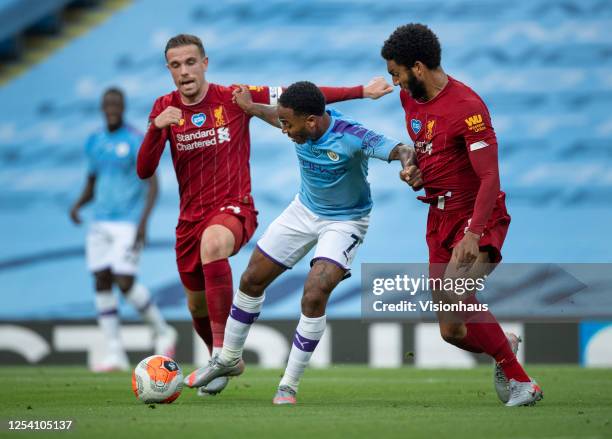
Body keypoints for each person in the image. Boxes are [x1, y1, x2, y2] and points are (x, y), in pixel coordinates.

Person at [136, 34, 393, 395]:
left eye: (191, 62)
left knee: (213, 244)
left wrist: (360, 91)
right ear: (169, 70)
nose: (185, 71)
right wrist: (155, 128)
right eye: (176, 65)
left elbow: (301, 97)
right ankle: (223, 357)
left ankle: (228, 356)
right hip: (188, 219)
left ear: (205, 63)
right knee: (196, 302)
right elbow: (144, 170)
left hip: (233, 208)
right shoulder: (164, 108)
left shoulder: (234, 97)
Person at [185, 81, 420, 405]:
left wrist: (408, 164)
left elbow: (400, 149)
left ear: (311, 121)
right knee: (252, 279)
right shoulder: (297, 121)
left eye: (288, 124)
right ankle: (226, 359)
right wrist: (252, 109)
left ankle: (289, 385)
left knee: (314, 292)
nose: (284, 130)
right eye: (282, 122)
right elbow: (274, 115)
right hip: (304, 210)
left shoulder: (351, 136)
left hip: (345, 221)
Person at [381, 23, 543, 407]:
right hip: (438, 218)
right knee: (451, 330)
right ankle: (505, 345)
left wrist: (473, 232)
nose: (396, 82)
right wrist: (416, 171)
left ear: (417, 67)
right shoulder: (410, 100)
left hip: (476, 215)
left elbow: (490, 176)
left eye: (397, 73)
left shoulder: (468, 108)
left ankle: (522, 383)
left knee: (456, 291)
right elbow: (431, 150)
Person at [70, 87, 176, 372]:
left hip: (128, 221)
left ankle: (162, 330)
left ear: (123, 106)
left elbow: (153, 183)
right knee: (101, 280)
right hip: (99, 221)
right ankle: (115, 352)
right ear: (103, 107)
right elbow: (93, 181)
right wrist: (78, 205)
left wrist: (144, 222)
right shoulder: (94, 141)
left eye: (116, 103)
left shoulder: (134, 140)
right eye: (108, 103)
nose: (112, 107)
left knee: (125, 281)